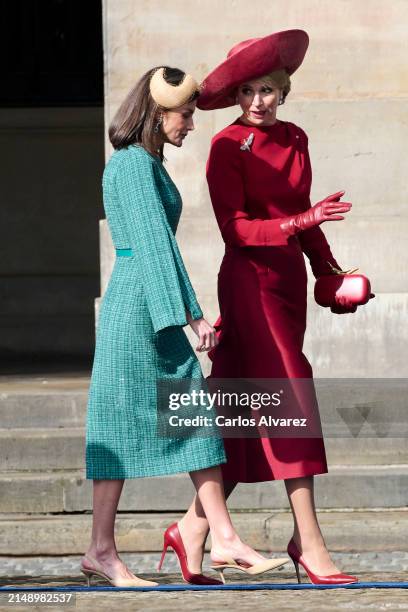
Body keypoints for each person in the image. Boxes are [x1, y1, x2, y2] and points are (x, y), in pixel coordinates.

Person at [81, 65, 288, 587]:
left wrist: (185, 309)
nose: (191, 124)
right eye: (185, 113)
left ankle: (218, 536)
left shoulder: (146, 164)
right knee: (125, 421)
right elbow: (153, 246)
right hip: (139, 308)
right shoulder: (132, 165)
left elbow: (161, 247)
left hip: (151, 300)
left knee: (188, 412)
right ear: (157, 112)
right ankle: (107, 549)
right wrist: (191, 314)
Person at [180, 30, 374, 585]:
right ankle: (308, 543)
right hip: (249, 284)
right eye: (247, 91)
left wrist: (331, 276)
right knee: (291, 397)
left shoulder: (295, 138)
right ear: (236, 97)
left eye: (267, 89)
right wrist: (301, 222)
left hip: (287, 287)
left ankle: (190, 529)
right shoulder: (224, 147)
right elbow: (237, 230)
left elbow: (306, 218)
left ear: (283, 91)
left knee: (242, 411)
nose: (257, 101)